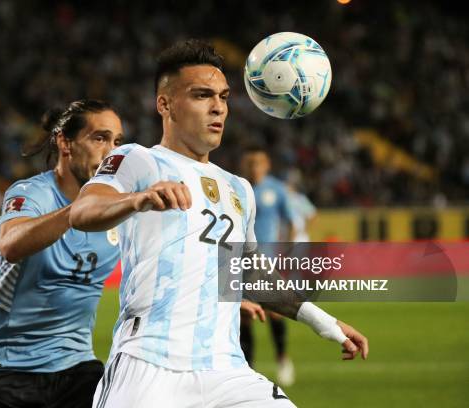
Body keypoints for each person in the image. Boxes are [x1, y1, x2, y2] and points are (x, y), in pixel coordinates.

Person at [70, 39, 368, 408]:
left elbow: (250, 275)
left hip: (227, 370)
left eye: (224, 97)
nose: (218, 108)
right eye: (201, 95)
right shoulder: (137, 160)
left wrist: (323, 321)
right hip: (150, 363)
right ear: (165, 104)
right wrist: (139, 199)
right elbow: (83, 212)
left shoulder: (239, 189)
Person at [0, 99, 124, 408]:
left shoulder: (120, 206)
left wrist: (239, 286)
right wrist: (79, 211)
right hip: (3, 370)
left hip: (77, 369)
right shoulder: (32, 193)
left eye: (117, 141)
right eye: (100, 138)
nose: (111, 151)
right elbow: (11, 244)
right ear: (65, 143)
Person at [240, 147, 297, 386]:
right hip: (243, 260)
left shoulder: (276, 189)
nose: (255, 168)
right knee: (245, 315)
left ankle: (282, 359)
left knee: (275, 311)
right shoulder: (239, 188)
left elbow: (291, 222)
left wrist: (286, 252)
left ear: (267, 165)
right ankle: (248, 370)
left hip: (270, 259)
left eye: (259, 163)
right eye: (251, 163)